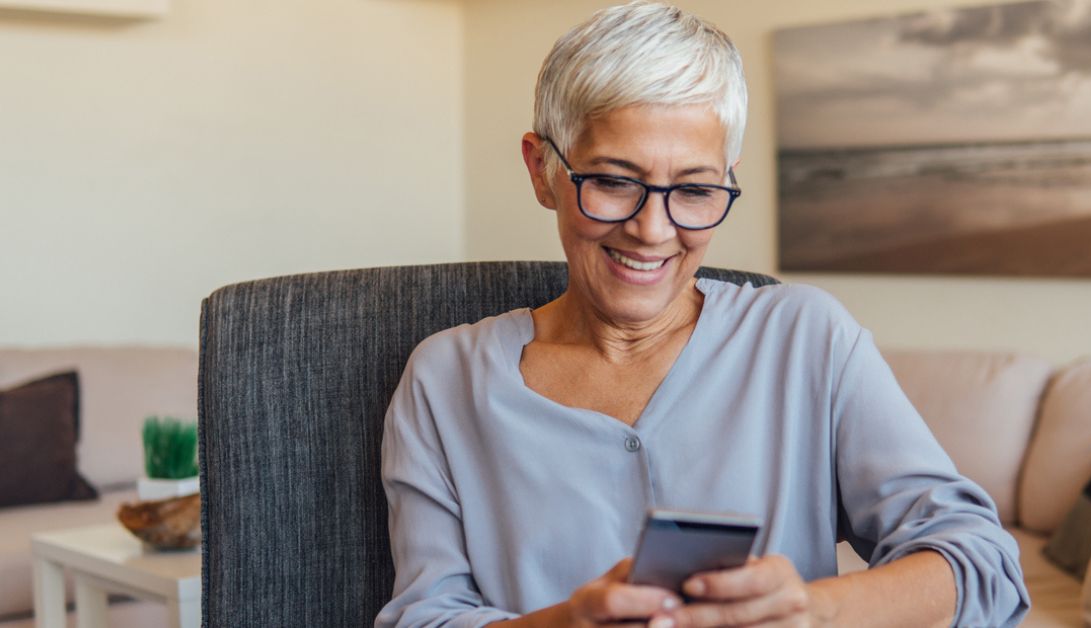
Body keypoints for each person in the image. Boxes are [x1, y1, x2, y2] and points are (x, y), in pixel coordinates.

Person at [376, 2, 1029, 627]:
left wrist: (815, 612)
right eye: (613, 181)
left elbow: (984, 568)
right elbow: (423, 616)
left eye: (693, 189)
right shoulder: (446, 379)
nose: (653, 230)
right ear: (542, 169)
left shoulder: (806, 337)